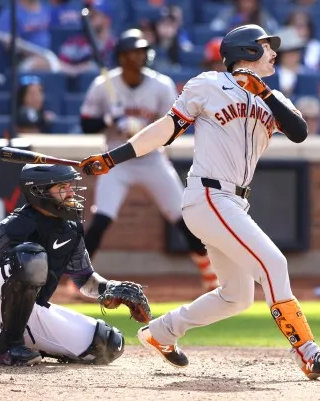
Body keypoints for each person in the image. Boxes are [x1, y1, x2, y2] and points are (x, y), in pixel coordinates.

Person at [79, 24, 320, 380]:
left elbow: (299, 132)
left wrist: (263, 91)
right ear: (247, 51)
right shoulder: (208, 84)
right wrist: (112, 157)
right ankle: (307, 352)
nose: (274, 54)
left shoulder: (272, 97)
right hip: (208, 194)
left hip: (233, 202)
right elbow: (166, 129)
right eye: (267, 47)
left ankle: (160, 332)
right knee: (274, 264)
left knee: (237, 296)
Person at [0, 164, 150, 366]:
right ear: (39, 192)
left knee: (109, 344)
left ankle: (32, 345)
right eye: (61, 187)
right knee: (30, 256)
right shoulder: (13, 227)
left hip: (28, 312)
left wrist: (111, 289)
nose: (70, 192)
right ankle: (7, 348)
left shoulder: (71, 228)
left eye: (69, 186)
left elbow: (85, 280)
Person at [79, 29, 219, 292]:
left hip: (152, 159)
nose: (140, 57)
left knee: (182, 217)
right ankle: (80, 276)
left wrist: (142, 127)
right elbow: (85, 123)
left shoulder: (161, 84)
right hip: (116, 161)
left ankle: (209, 273)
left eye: (143, 51)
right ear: (121, 56)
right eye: (134, 52)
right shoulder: (103, 85)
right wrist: (111, 120)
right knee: (101, 220)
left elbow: (173, 125)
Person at [58, 0, 116, 76]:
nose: (88, 20)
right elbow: (58, 65)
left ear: (107, 20)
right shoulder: (74, 43)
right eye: (86, 16)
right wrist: (80, 69)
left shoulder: (115, 46)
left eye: (93, 16)